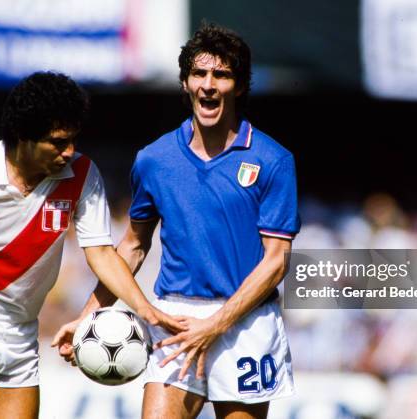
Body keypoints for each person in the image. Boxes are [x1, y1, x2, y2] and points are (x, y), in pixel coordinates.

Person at [54, 23, 300, 418]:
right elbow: (132, 246)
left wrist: (217, 324)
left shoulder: (273, 160)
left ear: (238, 86)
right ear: (185, 83)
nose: (208, 85)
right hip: (175, 320)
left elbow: (276, 262)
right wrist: (88, 317)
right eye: (199, 74)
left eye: (221, 75)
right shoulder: (154, 158)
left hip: (246, 324)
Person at [0, 72, 182, 419]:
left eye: (73, 139)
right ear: (22, 137)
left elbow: (102, 254)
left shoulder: (82, 174)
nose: (69, 151)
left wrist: (146, 311)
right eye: (58, 142)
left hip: (20, 338)